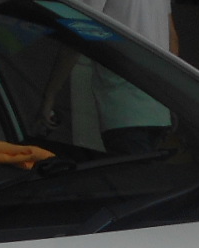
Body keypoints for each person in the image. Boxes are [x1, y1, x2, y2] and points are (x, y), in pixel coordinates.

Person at [39, 0, 182, 156]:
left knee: (129, 169)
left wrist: (50, 94)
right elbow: (172, 39)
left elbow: (78, 33)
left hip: (123, 108)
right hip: (158, 110)